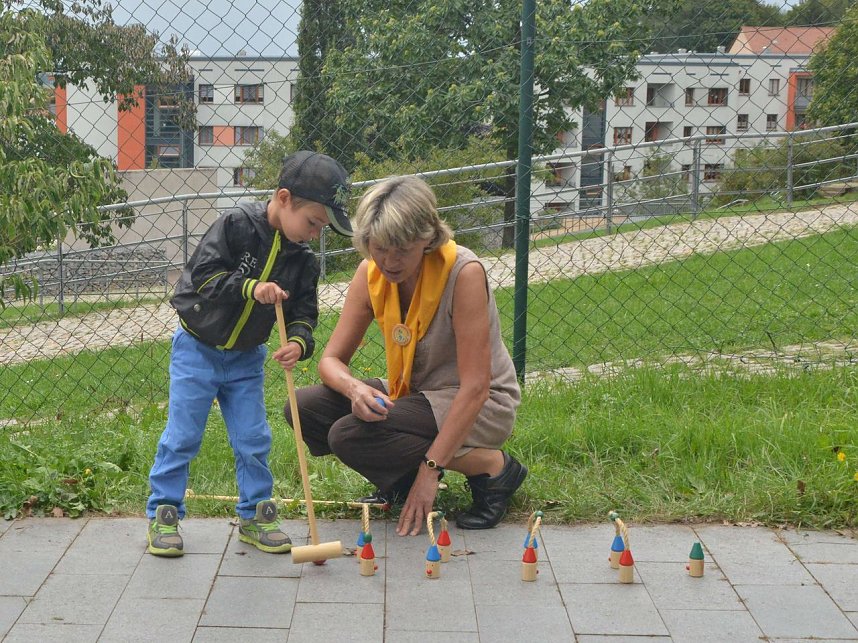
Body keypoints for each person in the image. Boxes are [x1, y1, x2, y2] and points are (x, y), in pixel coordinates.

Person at [284, 175, 526, 536]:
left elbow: (476, 387)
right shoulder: (370, 273)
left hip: (481, 403)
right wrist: (355, 390)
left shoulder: (463, 273)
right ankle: (399, 479)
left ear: (428, 239)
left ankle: (491, 467)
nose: (389, 261)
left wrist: (431, 471)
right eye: (379, 247)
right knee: (303, 409)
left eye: (402, 250)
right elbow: (330, 361)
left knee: (348, 435)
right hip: (414, 393)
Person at [145, 151, 353, 557]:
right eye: (313, 222)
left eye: (322, 228)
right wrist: (251, 287)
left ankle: (255, 514)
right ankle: (164, 510)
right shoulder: (236, 225)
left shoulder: (303, 260)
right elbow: (202, 277)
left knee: (253, 437)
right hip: (197, 350)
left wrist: (298, 342)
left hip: (245, 360)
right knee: (183, 434)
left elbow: (304, 312)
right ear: (284, 197)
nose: (315, 234)